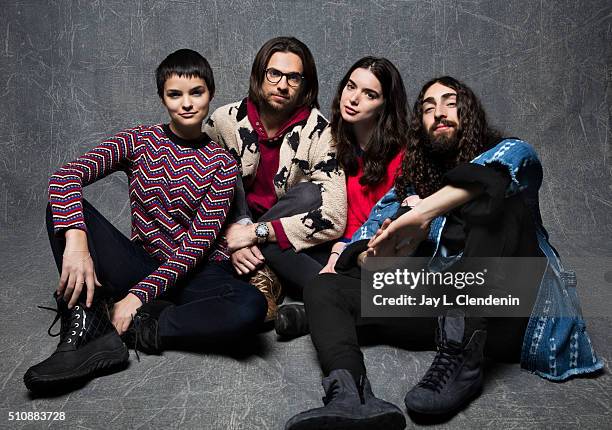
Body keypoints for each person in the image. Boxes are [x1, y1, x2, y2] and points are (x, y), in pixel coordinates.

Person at [285, 76, 602, 429]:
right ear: (419, 124)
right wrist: (378, 254)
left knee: (492, 203)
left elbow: (508, 165)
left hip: (510, 317)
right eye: (428, 107)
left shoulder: (507, 152)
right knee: (323, 287)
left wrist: (424, 212)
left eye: (450, 102)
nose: (439, 113)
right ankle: (351, 394)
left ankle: (461, 359)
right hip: (442, 307)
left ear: (469, 112)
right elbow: (363, 241)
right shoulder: (412, 181)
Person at [23, 49, 268, 393]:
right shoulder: (139, 140)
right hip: (140, 262)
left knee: (250, 307)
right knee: (61, 210)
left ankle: (137, 327)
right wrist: (77, 243)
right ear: (162, 98)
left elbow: (195, 248)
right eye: (175, 94)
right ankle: (87, 324)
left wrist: (135, 299)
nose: (186, 103)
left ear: (210, 93)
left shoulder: (223, 163)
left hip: (195, 273)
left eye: (196, 92)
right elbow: (67, 176)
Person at [204, 37, 346, 321]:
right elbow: (199, 189)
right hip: (232, 227)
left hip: (284, 233)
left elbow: (334, 215)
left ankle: (263, 271)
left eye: (294, 77)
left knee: (310, 195)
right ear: (260, 75)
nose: (283, 85)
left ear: (305, 84)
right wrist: (233, 233)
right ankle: (266, 274)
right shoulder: (225, 120)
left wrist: (253, 235)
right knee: (224, 169)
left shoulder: (321, 133)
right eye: (275, 74)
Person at [274, 56, 408, 338]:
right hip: (336, 242)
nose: (354, 99)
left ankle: (317, 309)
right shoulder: (331, 139)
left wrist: (339, 257)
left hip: (376, 255)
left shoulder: (401, 154)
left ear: (384, 104)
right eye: (351, 86)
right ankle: (328, 300)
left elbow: (380, 224)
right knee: (274, 241)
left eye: (369, 94)